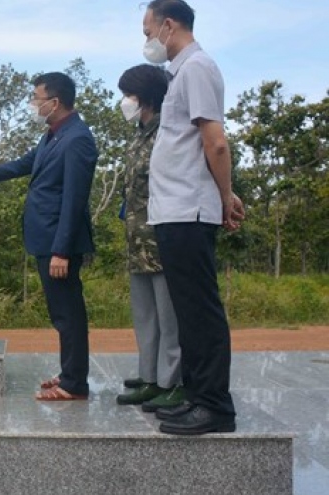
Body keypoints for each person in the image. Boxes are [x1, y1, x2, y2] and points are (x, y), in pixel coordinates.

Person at [0, 72, 98, 401]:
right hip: (46, 239)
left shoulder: (77, 138)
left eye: (36, 98)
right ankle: (70, 372)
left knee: (68, 313)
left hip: (59, 243)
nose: (33, 104)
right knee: (62, 312)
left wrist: (61, 250)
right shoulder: (54, 135)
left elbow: (73, 200)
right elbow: (22, 164)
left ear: (55, 102)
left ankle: (75, 384)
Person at [141, 0, 245, 435]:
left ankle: (215, 406)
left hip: (190, 208)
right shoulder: (180, 73)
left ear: (168, 26)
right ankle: (196, 394)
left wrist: (225, 196)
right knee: (187, 311)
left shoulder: (198, 66)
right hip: (174, 210)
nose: (146, 40)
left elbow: (215, 141)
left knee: (200, 310)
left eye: (148, 30)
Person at [113, 64, 185, 411]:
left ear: (146, 97)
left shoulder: (167, 133)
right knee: (145, 315)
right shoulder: (140, 134)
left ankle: (171, 383)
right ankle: (149, 377)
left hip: (163, 238)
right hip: (137, 240)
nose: (124, 101)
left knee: (169, 317)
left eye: (128, 95)